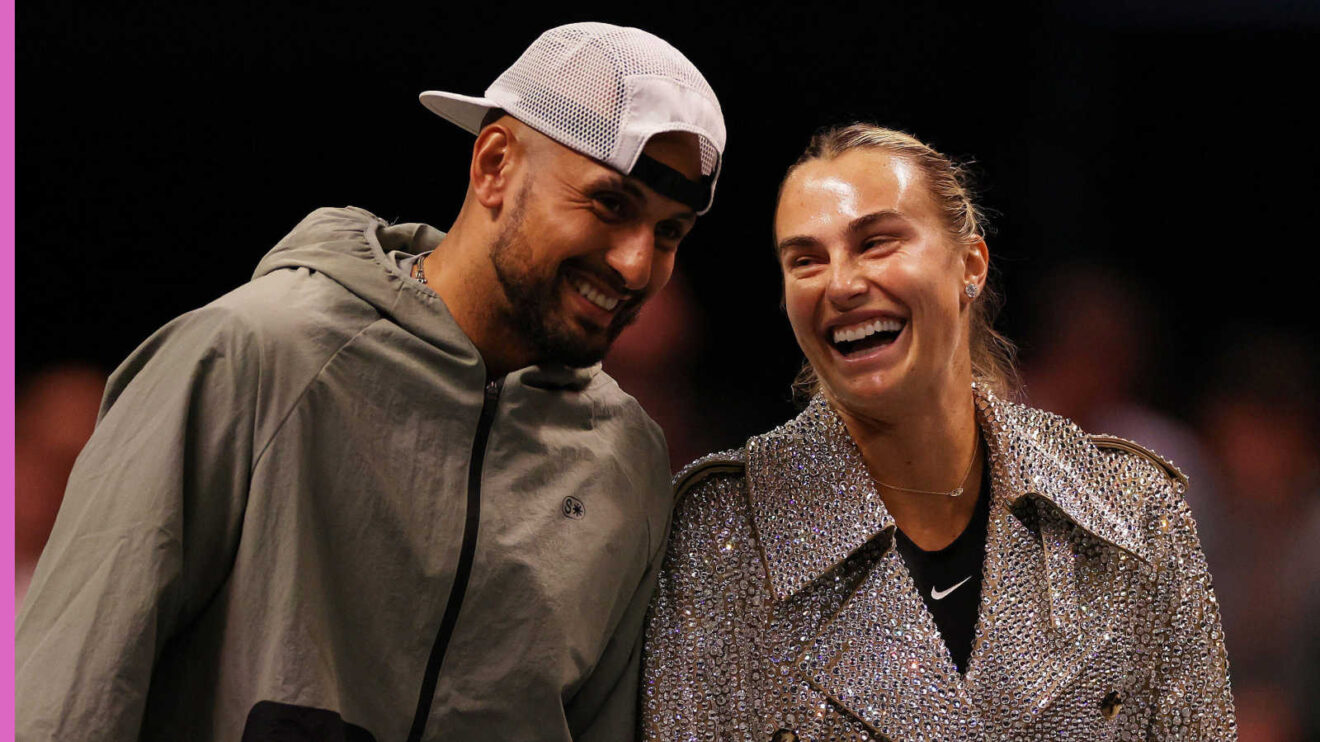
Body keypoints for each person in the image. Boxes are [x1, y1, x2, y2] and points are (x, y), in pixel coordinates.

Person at [17, 22, 725, 742]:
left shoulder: (628, 463)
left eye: (670, 233)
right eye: (610, 204)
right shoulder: (250, 356)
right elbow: (66, 703)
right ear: (495, 165)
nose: (638, 265)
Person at [642, 124, 1235, 740]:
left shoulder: (1134, 509)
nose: (840, 284)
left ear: (970, 266)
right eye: (806, 260)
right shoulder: (720, 530)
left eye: (876, 243)